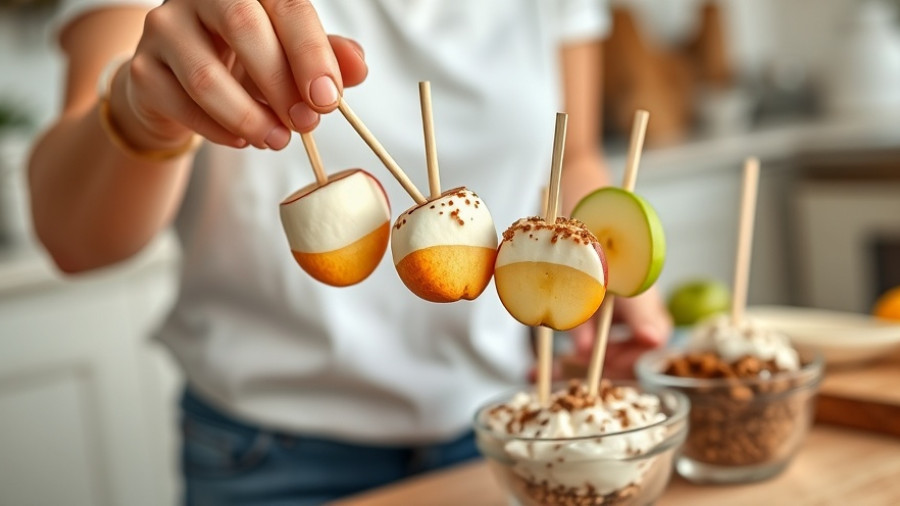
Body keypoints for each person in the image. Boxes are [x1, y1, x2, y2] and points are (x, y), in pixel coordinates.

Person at [29, 0, 672, 504]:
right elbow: (72, 238)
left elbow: (571, 158)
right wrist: (143, 114)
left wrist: (606, 284)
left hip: (505, 427)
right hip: (267, 460)